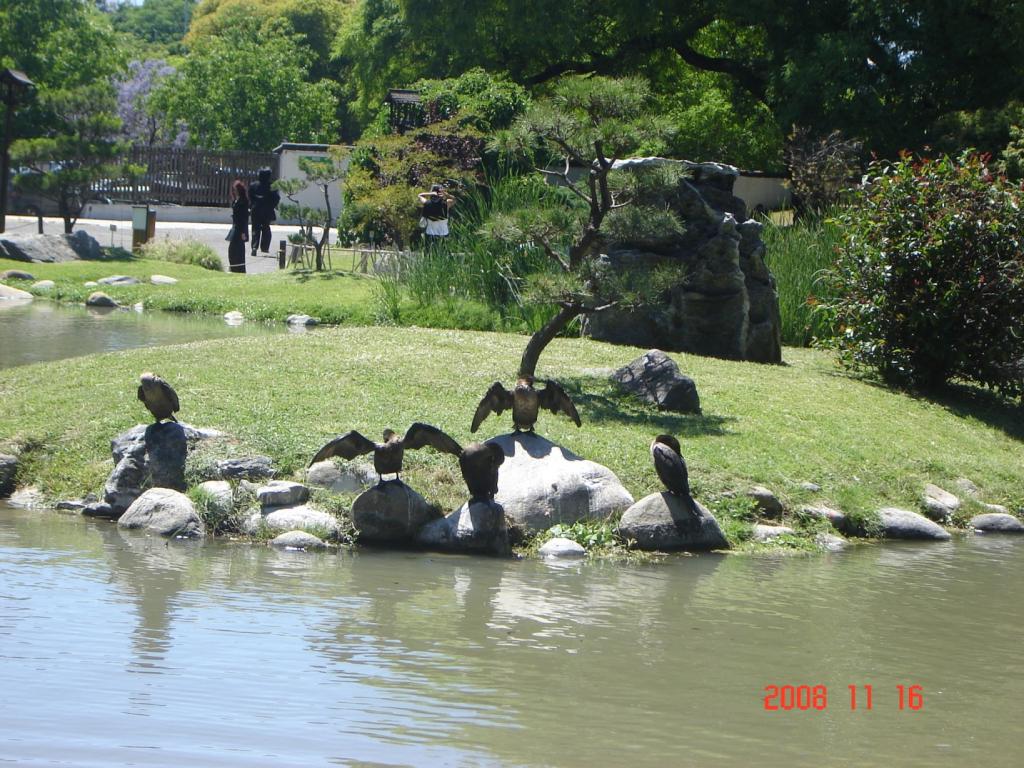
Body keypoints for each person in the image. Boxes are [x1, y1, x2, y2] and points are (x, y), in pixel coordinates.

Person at [248, 167, 280, 256]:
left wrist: (252, 205)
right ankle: (265, 247)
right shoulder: (272, 186)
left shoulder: (253, 185)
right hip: (267, 210)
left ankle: (254, 247)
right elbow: (276, 198)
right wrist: (271, 206)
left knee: (255, 229)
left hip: (256, 210)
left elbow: (250, 197)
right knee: (266, 228)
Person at [228, 179, 249, 274]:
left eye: (235, 190)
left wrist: (243, 232)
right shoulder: (238, 200)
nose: (234, 191)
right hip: (236, 227)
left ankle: (238, 269)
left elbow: (244, 218)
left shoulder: (243, 202)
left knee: (237, 249)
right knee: (233, 249)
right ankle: (234, 268)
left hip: (240, 228)